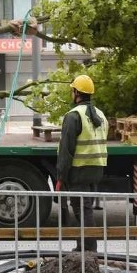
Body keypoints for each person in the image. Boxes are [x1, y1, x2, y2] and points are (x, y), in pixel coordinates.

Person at [56, 75, 109, 252]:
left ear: (76, 92)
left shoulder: (73, 116)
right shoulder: (100, 115)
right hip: (96, 169)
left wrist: (61, 177)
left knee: (82, 209)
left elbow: (66, 150)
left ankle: (88, 248)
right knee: (84, 207)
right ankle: (84, 246)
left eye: (73, 90)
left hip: (79, 170)